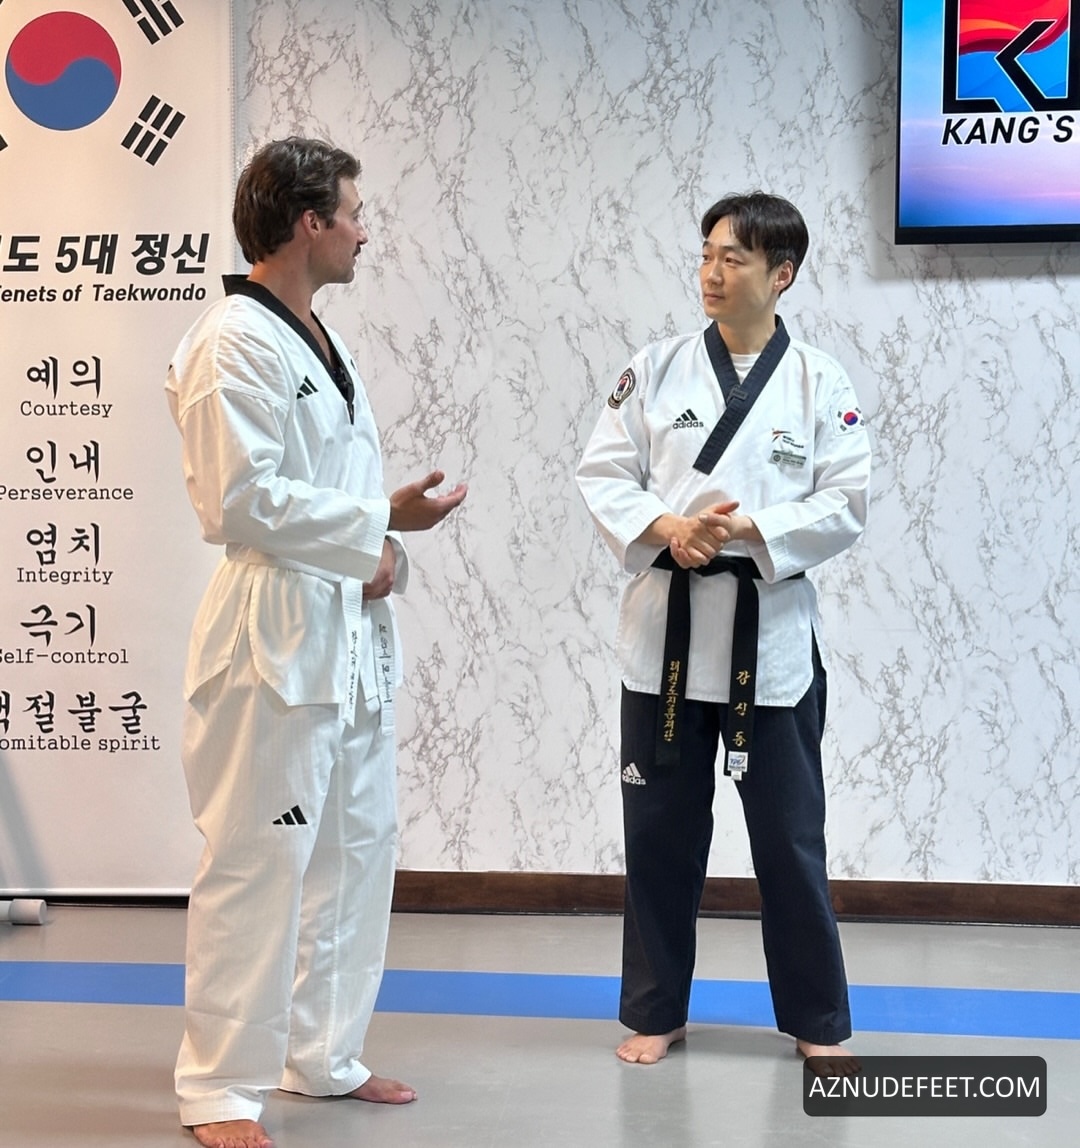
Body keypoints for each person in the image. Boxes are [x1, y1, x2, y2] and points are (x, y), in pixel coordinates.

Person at [165, 137, 467, 1148]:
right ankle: (219, 1086)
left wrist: (379, 546)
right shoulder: (232, 342)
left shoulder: (315, 339)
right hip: (273, 638)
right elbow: (236, 500)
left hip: (345, 635)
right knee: (259, 862)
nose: (363, 231)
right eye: (353, 212)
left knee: (355, 851)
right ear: (308, 222)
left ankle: (323, 1054)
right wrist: (374, 523)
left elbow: (331, 495)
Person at [576, 192, 870, 1071]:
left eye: (733, 258)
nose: (711, 272)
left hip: (769, 644)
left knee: (790, 843)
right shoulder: (656, 368)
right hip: (662, 644)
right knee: (659, 838)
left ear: (782, 275)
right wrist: (669, 528)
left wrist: (747, 530)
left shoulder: (819, 381)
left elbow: (846, 501)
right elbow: (603, 472)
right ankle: (655, 1009)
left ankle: (817, 1018)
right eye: (706, 254)